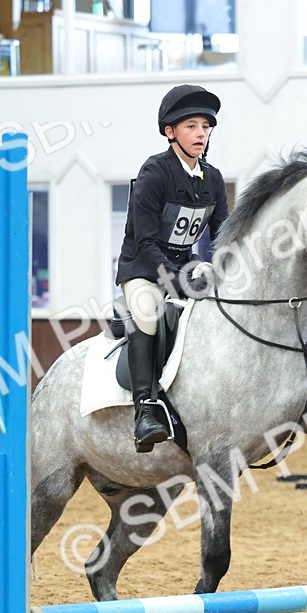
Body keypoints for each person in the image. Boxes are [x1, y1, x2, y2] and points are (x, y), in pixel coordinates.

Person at [116, 84, 229, 451]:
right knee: (147, 313)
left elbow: (223, 236)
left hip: (185, 266)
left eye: (206, 127)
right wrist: (173, 278)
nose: (201, 134)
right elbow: (145, 244)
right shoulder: (154, 173)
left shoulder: (212, 178)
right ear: (171, 132)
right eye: (192, 126)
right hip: (143, 269)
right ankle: (145, 408)